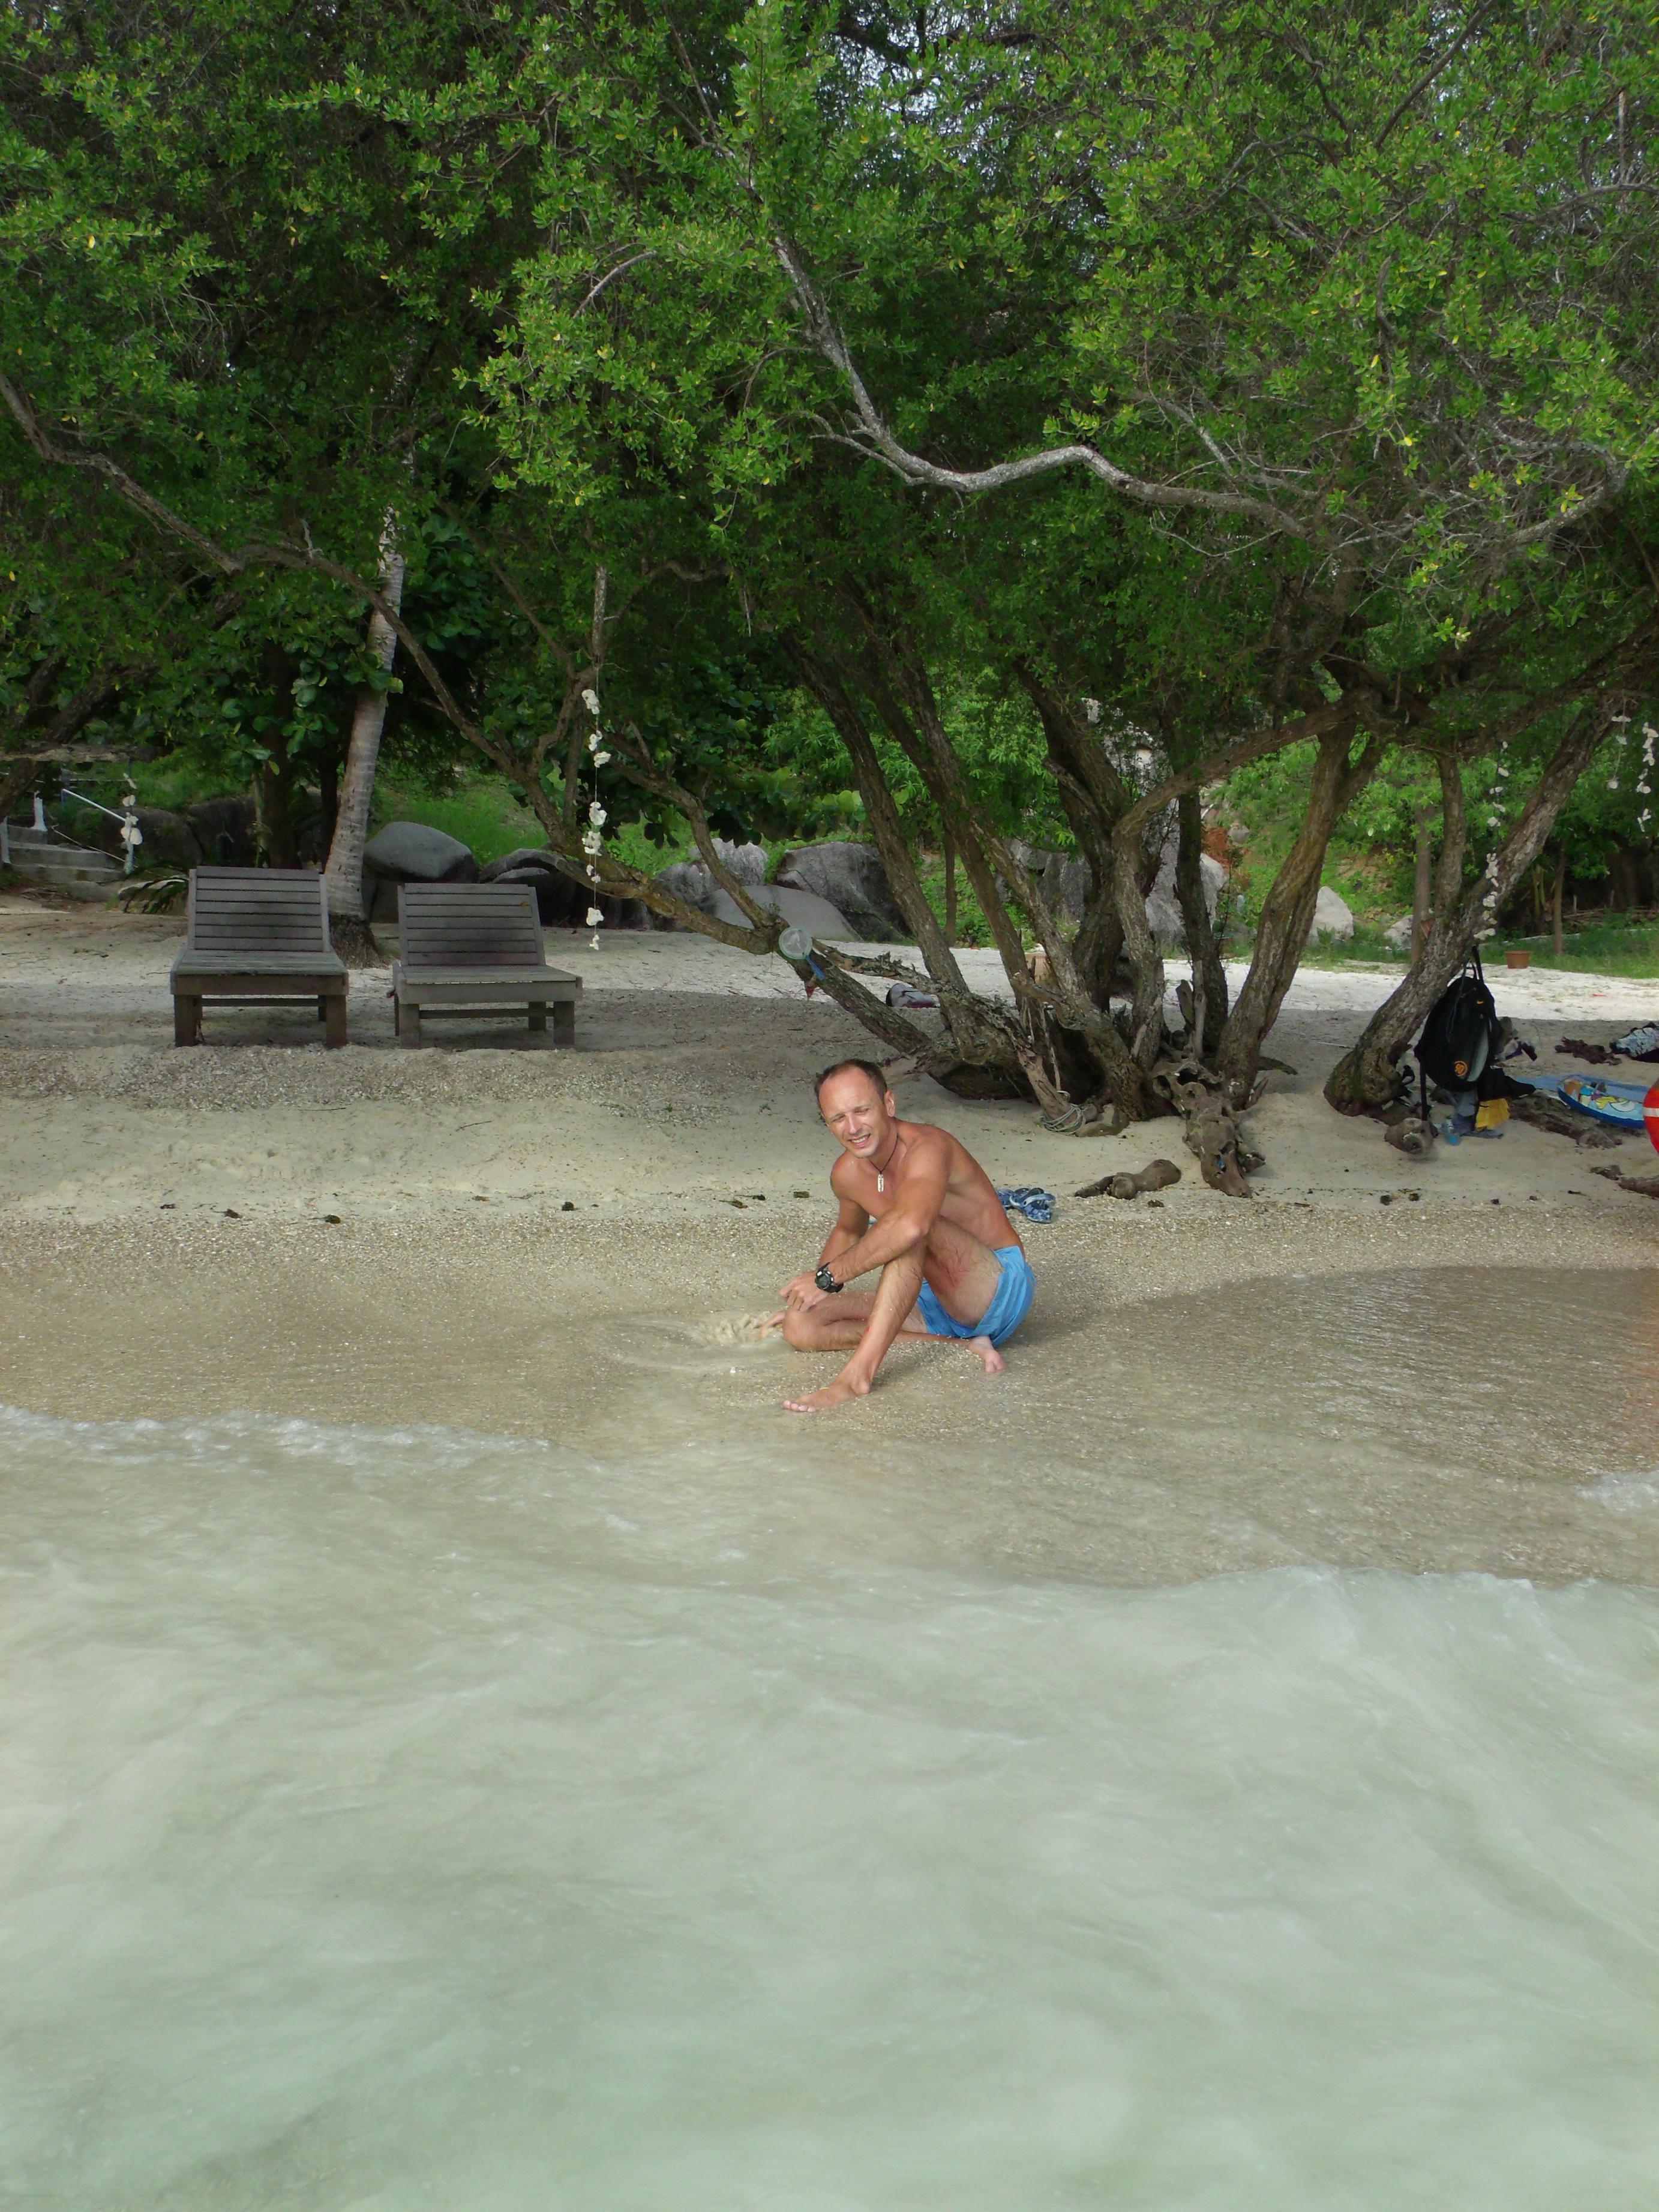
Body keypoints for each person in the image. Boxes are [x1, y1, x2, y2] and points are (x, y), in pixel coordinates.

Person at [767, 1058, 1035, 1413]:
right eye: (838, 1118)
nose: (852, 1128)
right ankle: (959, 1345)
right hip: (930, 1299)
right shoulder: (847, 1173)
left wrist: (828, 1277)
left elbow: (912, 1226)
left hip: (993, 1288)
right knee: (801, 1326)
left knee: (905, 1227)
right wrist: (816, 1295)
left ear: (888, 1104)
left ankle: (856, 1378)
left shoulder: (929, 1147)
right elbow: (848, 1231)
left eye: (862, 1111)